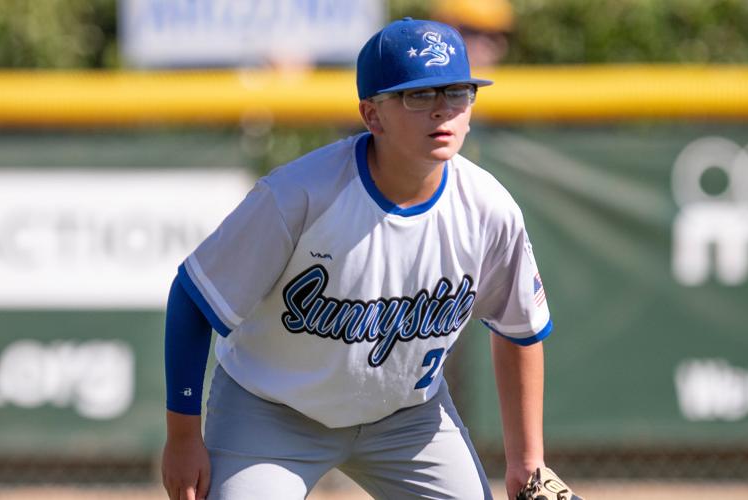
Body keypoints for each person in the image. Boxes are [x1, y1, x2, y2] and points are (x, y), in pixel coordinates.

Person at [161, 17, 552, 500]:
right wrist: (183, 437)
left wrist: (527, 460)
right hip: (272, 414)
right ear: (372, 115)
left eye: (457, 92)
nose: (442, 110)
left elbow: (519, 329)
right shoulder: (299, 196)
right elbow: (192, 298)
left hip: (408, 420)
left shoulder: (489, 210)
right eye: (418, 95)